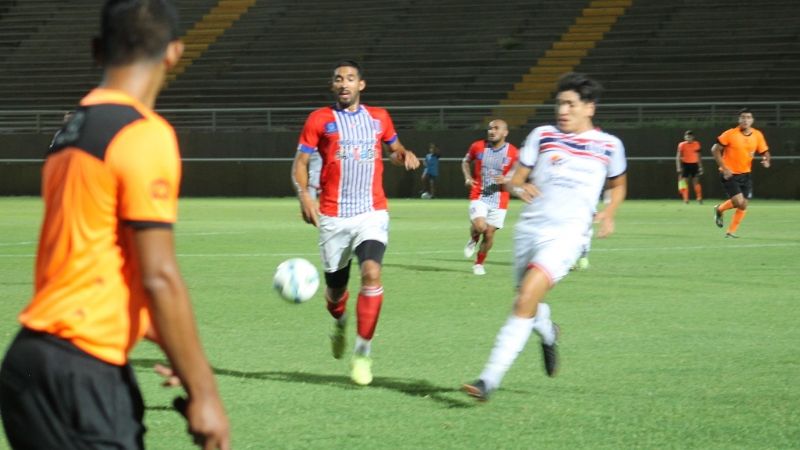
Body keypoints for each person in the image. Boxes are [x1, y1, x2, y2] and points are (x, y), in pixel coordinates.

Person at [0, 1, 231, 449]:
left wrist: (180, 357)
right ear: (173, 53)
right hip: (80, 372)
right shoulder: (142, 133)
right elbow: (158, 275)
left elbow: (100, 268)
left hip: (28, 363)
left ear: (96, 49)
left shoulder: (71, 131)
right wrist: (205, 392)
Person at [463, 72, 627, 401]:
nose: (562, 111)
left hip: (568, 236)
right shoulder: (543, 135)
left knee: (524, 299)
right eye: (559, 104)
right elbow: (514, 180)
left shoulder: (609, 145)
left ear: (589, 107)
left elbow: (618, 184)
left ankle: (488, 380)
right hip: (530, 230)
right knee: (527, 301)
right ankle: (548, 331)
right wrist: (519, 186)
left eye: (570, 104)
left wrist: (609, 212)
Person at [291, 60, 419, 386]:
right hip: (333, 218)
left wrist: (403, 154)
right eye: (338, 79)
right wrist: (305, 195)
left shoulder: (380, 117)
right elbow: (301, 163)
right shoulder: (319, 119)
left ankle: (363, 352)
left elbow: (394, 147)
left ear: (361, 84)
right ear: (333, 86)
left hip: (371, 213)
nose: (344, 83)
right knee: (335, 296)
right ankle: (340, 322)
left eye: (350, 78)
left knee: (372, 272)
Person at [461, 119, 519, 275]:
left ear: (505, 132)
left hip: (500, 199)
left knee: (489, 234)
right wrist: (467, 177)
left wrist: (508, 179)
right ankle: (473, 238)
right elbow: (465, 162)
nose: (492, 131)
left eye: (496, 128)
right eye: (490, 128)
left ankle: (479, 263)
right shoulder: (478, 146)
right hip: (479, 194)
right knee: (480, 226)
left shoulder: (513, 152)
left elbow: (518, 171)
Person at [711, 108, 771, 238]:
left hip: (746, 174)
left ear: (752, 120)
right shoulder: (730, 134)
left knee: (743, 205)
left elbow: (765, 152)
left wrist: (766, 160)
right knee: (739, 201)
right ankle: (720, 209)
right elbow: (715, 150)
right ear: (739, 120)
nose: (745, 120)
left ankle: (730, 230)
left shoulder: (757, 135)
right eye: (743, 117)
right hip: (729, 173)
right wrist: (724, 168)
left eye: (748, 117)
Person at [676, 130, 704, 204]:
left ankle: (699, 198)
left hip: (694, 165)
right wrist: (678, 167)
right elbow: (678, 156)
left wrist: (700, 167)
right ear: (685, 137)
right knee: (685, 182)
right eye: (687, 136)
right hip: (685, 165)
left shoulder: (697, 144)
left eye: (690, 136)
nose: (689, 138)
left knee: (696, 182)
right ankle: (686, 199)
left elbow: (699, 156)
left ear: (693, 137)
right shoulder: (681, 145)